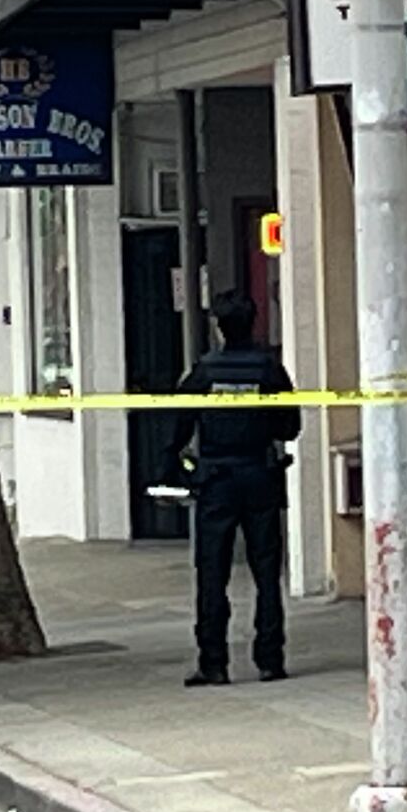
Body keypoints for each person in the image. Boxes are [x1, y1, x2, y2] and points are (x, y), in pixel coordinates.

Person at [167, 291, 300, 687]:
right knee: (266, 572)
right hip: (259, 475)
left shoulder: (204, 372)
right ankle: (270, 659)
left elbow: (178, 428)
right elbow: (289, 427)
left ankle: (214, 662)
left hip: (217, 481)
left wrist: (178, 466)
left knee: (212, 573)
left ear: (218, 326)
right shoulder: (269, 370)